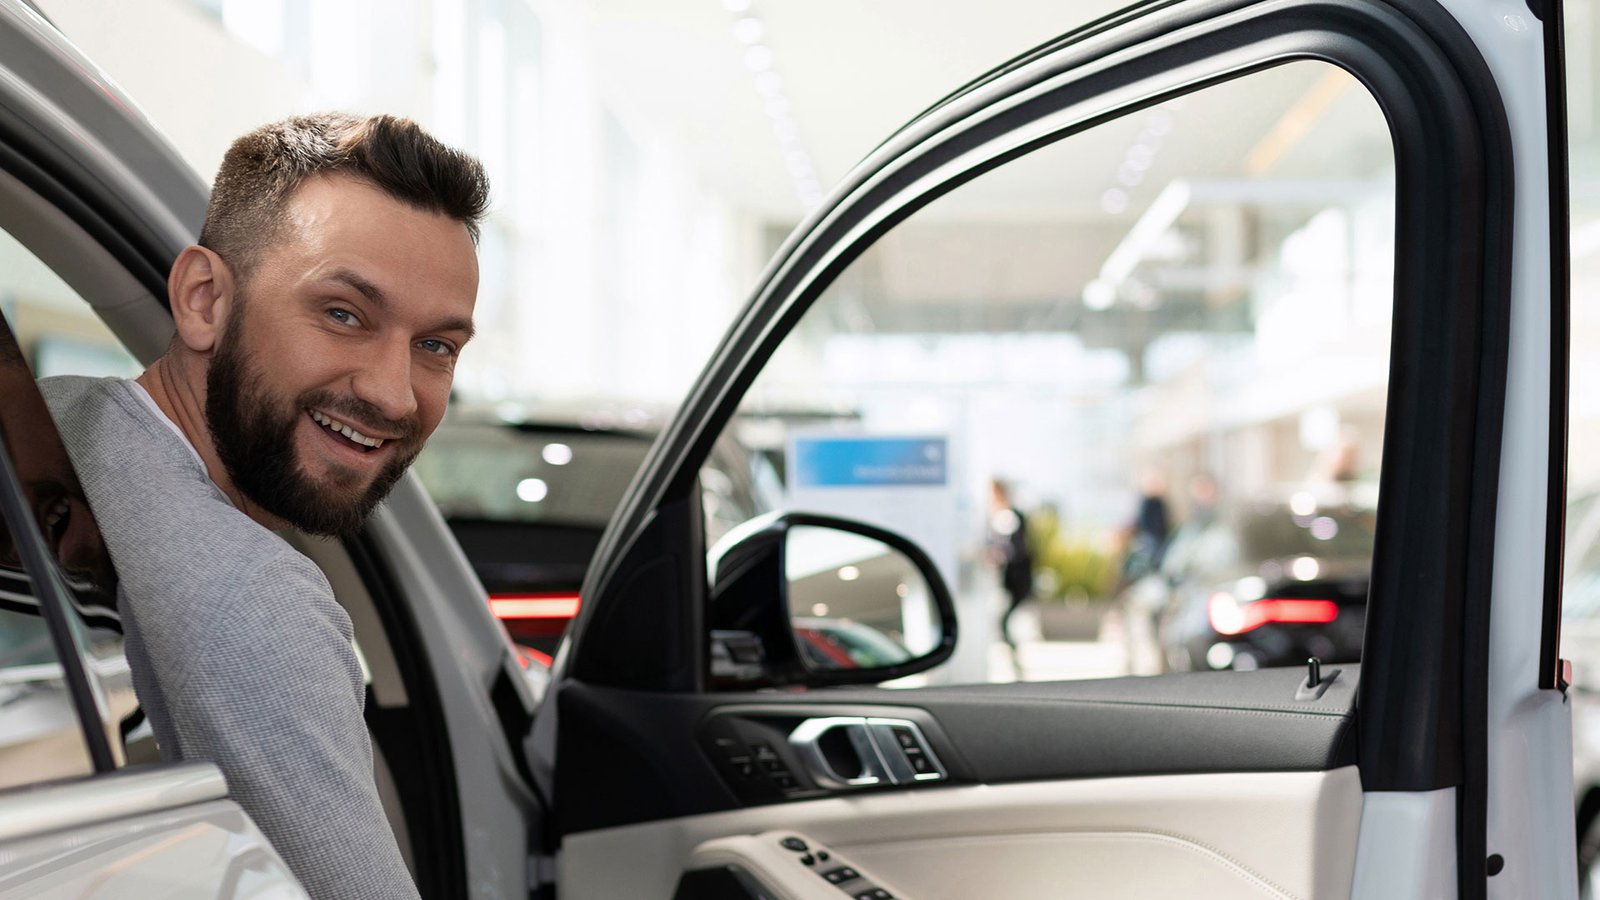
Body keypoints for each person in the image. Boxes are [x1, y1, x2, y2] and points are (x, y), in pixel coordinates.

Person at [39, 113, 488, 900]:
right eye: (344, 314)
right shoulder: (256, 598)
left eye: (436, 347)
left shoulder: (52, 422)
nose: (392, 392)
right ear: (205, 299)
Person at [987, 479, 1034, 658]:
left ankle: (1014, 651)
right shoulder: (998, 516)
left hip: (1017, 576)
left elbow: (1016, 548)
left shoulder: (1012, 516)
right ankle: (1012, 651)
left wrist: (999, 556)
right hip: (1007, 577)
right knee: (1003, 619)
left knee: (1007, 618)